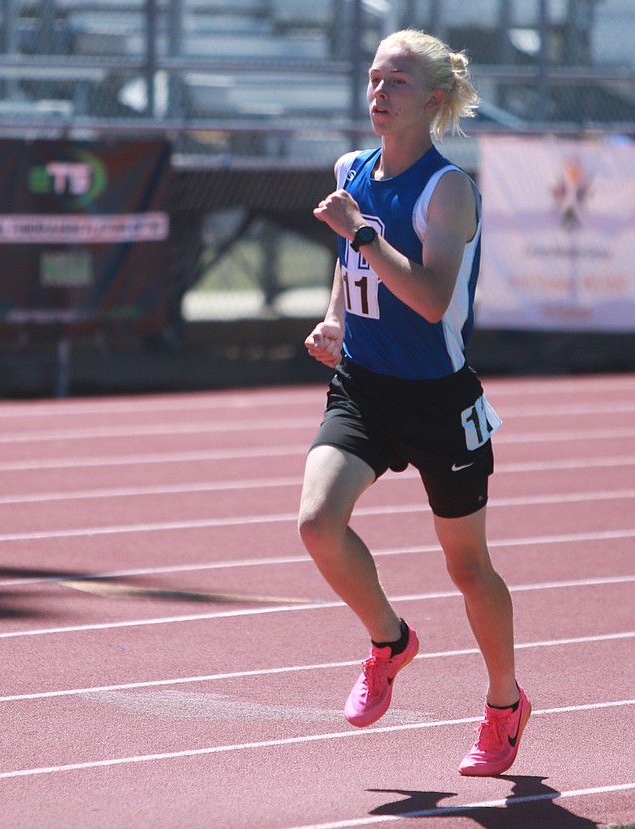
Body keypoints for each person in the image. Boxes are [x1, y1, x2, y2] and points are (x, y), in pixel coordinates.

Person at [297, 28, 531, 777]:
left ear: (432, 99)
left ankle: (504, 704)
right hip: (364, 385)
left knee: (469, 569)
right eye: (371, 78)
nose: (377, 93)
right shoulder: (351, 169)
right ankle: (389, 639)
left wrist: (360, 232)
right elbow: (349, 262)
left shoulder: (448, 188)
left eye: (395, 82)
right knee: (316, 522)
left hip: (438, 396)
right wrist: (336, 314)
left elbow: (430, 300)